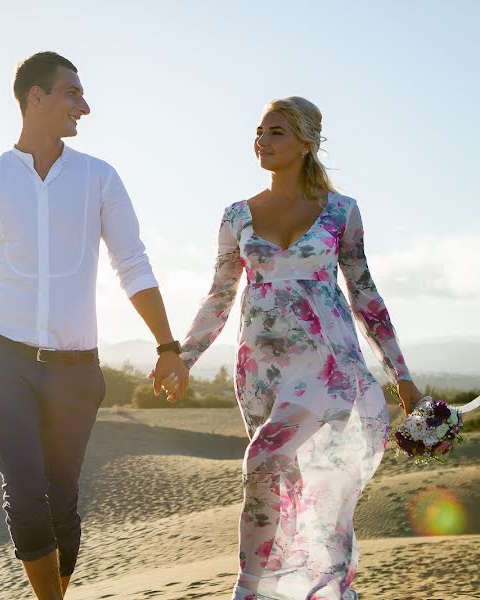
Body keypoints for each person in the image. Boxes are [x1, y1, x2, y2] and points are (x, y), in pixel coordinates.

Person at [0, 51, 187, 600]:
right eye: (72, 93)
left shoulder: (99, 178)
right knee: (24, 491)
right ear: (34, 97)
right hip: (5, 363)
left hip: (75, 370)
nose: (84, 107)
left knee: (62, 499)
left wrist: (166, 345)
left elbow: (132, 264)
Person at [163, 97, 422, 599]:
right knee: (282, 484)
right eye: (259, 130)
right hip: (260, 370)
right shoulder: (236, 214)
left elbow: (365, 293)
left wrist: (401, 374)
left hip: (329, 365)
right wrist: (183, 356)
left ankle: (248, 590)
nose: (262, 139)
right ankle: (314, 590)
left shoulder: (342, 211)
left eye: (276, 131)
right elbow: (219, 295)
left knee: (261, 459)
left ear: (307, 142)